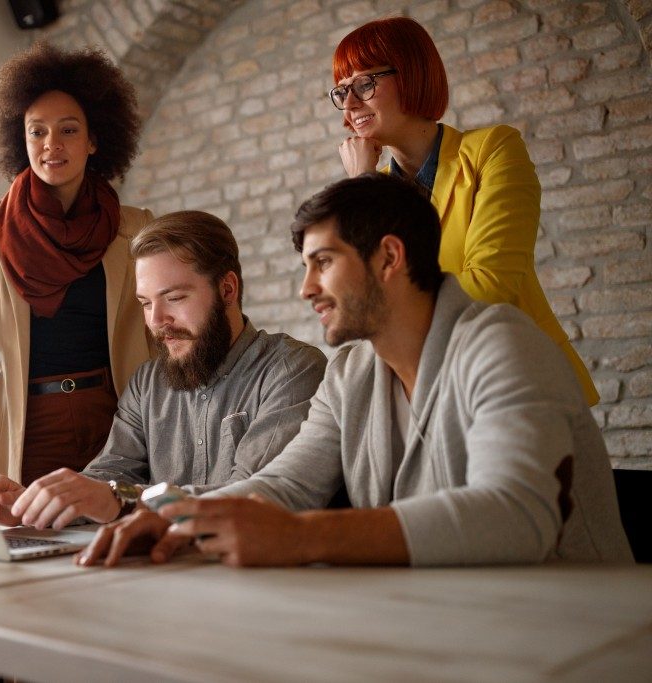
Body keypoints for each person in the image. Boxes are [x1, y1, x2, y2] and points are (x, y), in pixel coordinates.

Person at [78, 174, 632, 568]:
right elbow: (286, 485)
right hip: (445, 624)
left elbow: (516, 514)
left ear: (389, 258)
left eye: (323, 262)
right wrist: (179, 515)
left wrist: (304, 537)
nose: (306, 289)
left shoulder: (502, 343)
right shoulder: (349, 373)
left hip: (574, 636)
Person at [0, 210, 327, 530]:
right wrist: (32, 504)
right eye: (146, 303)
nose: (156, 322)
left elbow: (253, 497)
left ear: (227, 290)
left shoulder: (292, 370)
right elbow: (106, 478)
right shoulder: (147, 384)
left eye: (174, 298)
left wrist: (124, 500)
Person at [329, 16, 598, 405]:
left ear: (412, 76)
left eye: (365, 84)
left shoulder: (493, 149)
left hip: (522, 389)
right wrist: (361, 187)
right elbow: (356, 304)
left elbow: (491, 284)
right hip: (425, 399)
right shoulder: (372, 187)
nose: (350, 105)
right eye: (341, 91)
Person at [0, 43, 155, 487]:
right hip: (23, 423)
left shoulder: (136, 228)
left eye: (69, 130)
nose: (51, 145)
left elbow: (158, 335)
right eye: (37, 132)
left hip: (119, 421)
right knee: (21, 542)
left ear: (94, 140)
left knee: (116, 543)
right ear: (20, 140)